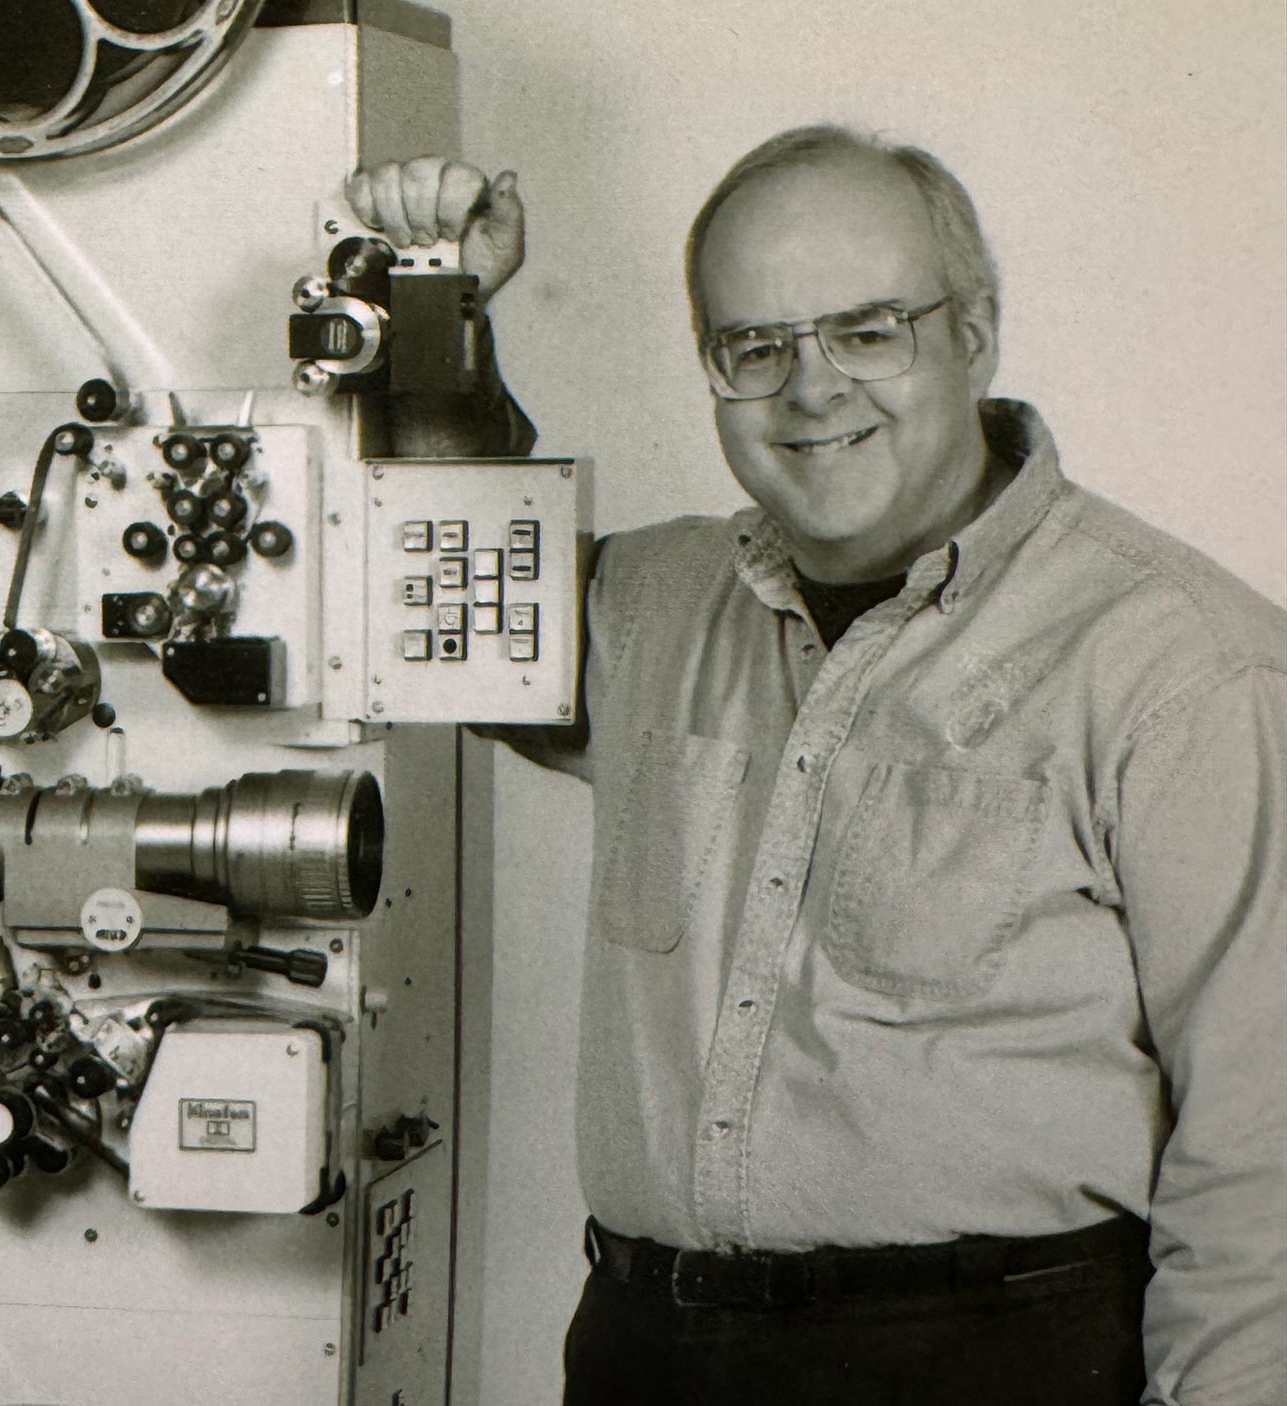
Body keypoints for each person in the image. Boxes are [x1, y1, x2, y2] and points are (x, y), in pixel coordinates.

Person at [352, 130, 1284, 1405]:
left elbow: (1266, 1156)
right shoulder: (651, 602)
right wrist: (433, 306)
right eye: (757, 346)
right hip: (646, 1356)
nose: (811, 390)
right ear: (714, 370)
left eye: (867, 331)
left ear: (976, 333)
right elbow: (452, 633)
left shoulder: (1182, 664)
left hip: (1000, 1365)